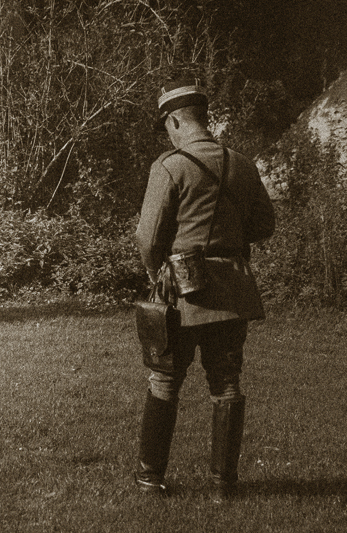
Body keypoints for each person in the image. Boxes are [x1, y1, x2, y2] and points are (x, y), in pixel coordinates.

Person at [133, 78, 276, 501]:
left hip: (181, 294)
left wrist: (154, 270)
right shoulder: (244, 165)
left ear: (175, 121)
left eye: (167, 126)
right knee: (226, 384)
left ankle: (149, 479)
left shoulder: (170, 166)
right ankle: (222, 487)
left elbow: (147, 236)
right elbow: (265, 225)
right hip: (233, 291)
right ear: (204, 117)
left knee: (164, 380)